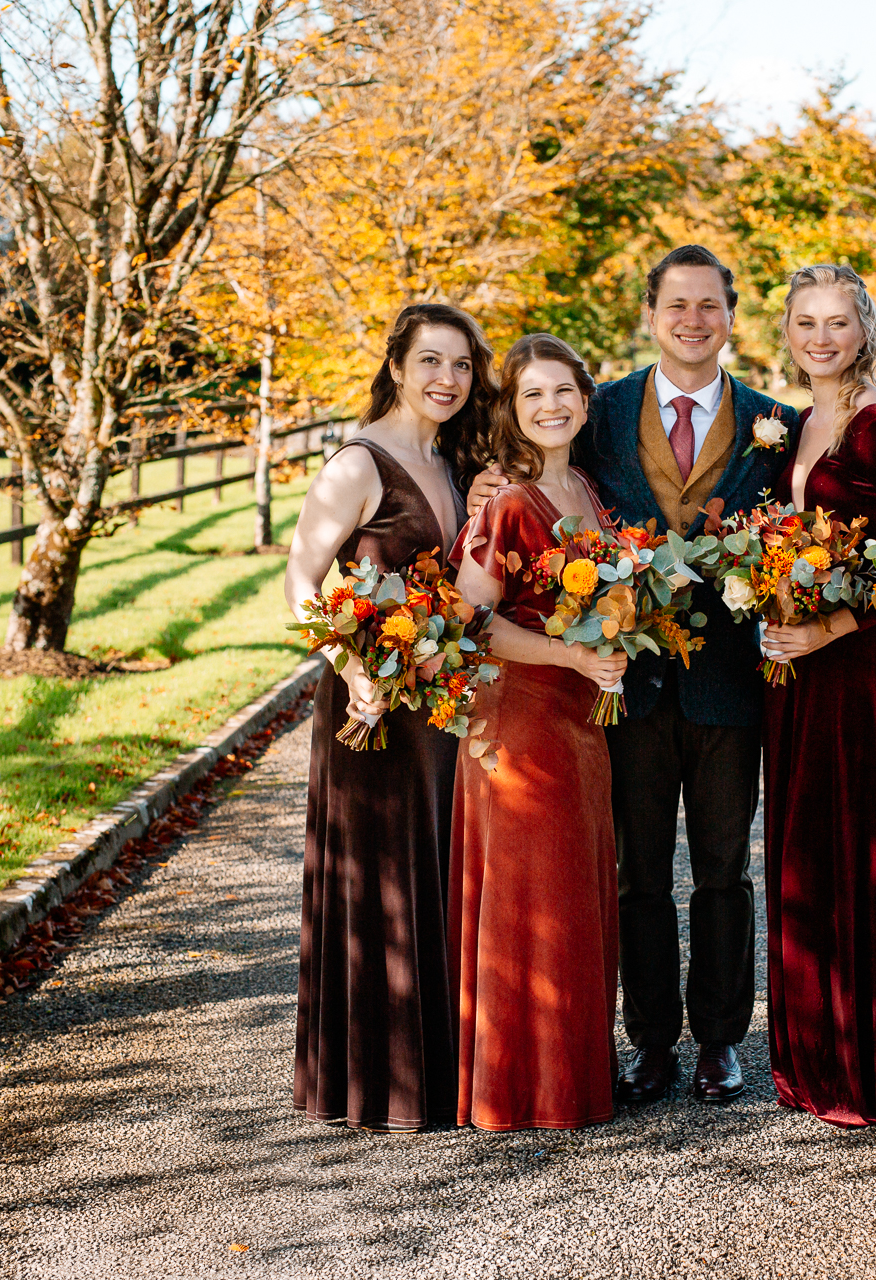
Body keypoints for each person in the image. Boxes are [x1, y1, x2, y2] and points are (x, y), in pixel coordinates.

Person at [466, 247, 801, 1105]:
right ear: (651, 314)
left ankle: (723, 1040)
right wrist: (485, 487)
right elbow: (528, 473)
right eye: (676, 305)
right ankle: (650, 1040)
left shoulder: (777, 423)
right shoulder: (598, 411)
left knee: (725, 870)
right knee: (638, 874)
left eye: (710, 306)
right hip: (624, 689)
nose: (694, 321)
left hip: (730, 682)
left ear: (732, 315)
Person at [284, 302, 494, 1130]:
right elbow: (300, 586)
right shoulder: (359, 462)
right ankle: (377, 1081)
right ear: (398, 366)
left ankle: (440, 1073)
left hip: (437, 703)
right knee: (382, 879)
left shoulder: (448, 462)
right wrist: (353, 666)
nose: (448, 379)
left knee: (435, 870)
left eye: (463, 366)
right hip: (371, 703)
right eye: (432, 362)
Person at [758, 265, 876, 1134]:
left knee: (855, 848)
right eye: (805, 323)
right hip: (792, 669)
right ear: (788, 331)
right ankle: (812, 1056)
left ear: (864, 327)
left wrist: (826, 630)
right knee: (802, 851)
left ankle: (871, 1065)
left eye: (837, 322)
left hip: (851, 666)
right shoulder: (798, 422)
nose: (820, 337)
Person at [448, 333, 629, 1131]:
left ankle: (573, 1070)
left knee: (576, 888)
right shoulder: (510, 503)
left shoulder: (587, 489)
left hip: (581, 714)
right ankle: (527, 1086)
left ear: (586, 402)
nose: (551, 406)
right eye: (532, 396)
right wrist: (571, 654)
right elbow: (470, 622)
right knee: (538, 893)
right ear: (513, 414)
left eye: (563, 392)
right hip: (520, 717)